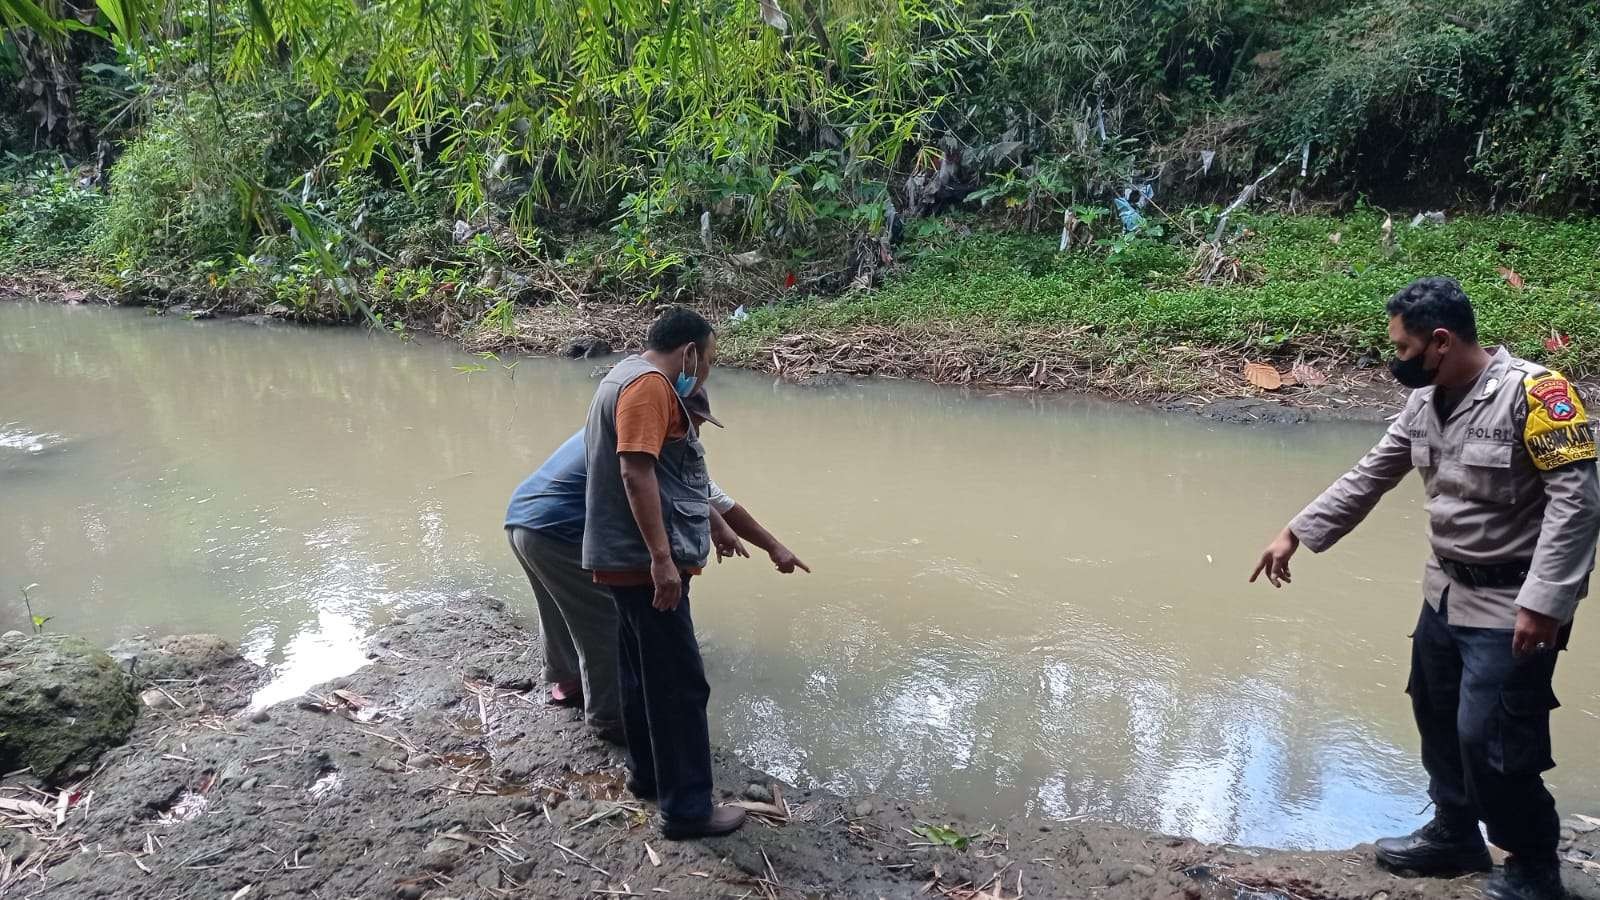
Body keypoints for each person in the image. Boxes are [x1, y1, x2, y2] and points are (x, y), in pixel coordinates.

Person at [1251, 277, 1599, 900]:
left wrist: (1546, 603)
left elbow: (1576, 504)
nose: (1396, 360)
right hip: (1444, 591)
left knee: (1491, 737)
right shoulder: (1426, 401)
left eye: (1404, 348)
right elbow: (1371, 474)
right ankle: (1454, 834)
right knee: (1435, 716)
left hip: (1514, 602)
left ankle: (1533, 864)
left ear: (1440, 342)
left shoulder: (1539, 395)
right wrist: (1296, 532)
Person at [504, 389, 808, 745]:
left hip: (524, 520)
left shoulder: (623, 428)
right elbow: (693, 497)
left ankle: (568, 681)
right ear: (672, 415)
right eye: (692, 421)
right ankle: (609, 717)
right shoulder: (651, 442)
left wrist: (772, 546)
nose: (696, 430)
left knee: (562, 607)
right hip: (560, 531)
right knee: (607, 623)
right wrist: (677, 553)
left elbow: (712, 500)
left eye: (700, 423)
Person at [581, 306, 749, 840]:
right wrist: (661, 559)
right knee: (679, 685)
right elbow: (635, 472)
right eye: (710, 360)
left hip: (621, 559)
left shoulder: (622, 374)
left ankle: (648, 777)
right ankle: (687, 811)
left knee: (641, 672)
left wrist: (715, 525)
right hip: (642, 564)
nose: (707, 371)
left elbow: (660, 474)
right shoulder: (650, 386)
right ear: (690, 352)